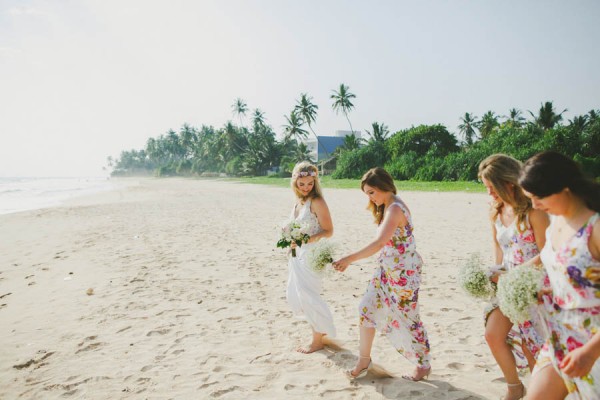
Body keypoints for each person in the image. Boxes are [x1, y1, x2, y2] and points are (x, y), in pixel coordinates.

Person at [332, 167, 431, 381]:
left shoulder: (395, 208)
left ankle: (423, 365)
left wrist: (348, 259)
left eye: (371, 192)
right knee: (366, 309)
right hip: (385, 271)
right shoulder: (387, 206)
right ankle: (364, 360)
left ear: (384, 187)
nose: (370, 198)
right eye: (366, 194)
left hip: (404, 274)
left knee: (409, 318)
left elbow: (379, 243)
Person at [518, 151, 600, 400]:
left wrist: (590, 352)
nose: (534, 206)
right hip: (560, 334)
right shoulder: (555, 219)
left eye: (538, 197)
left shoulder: (595, 228)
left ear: (564, 189)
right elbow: (552, 261)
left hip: (593, 341)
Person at [478, 154, 550, 400]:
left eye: (492, 188)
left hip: (534, 286)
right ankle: (514, 387)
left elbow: (548, 254)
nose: (490, 194)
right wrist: (495, 270)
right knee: (492, 334)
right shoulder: (496, 210)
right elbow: (498, 246)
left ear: (508, 182)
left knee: (534, 348)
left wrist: (515, 275)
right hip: (507, 287)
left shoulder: (534, 212)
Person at [286, 161, 336, 353]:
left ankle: (317, 340)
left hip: (311, 255)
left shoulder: (317, 202)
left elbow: (329, 231)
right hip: (296, 255)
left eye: (310, 183)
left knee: (309, 295)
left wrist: (306, 240)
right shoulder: (298, 203)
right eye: (302, 184)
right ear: (295, 183)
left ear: (315, 182)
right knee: (297, 294)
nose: (306, 187)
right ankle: (317, 333)